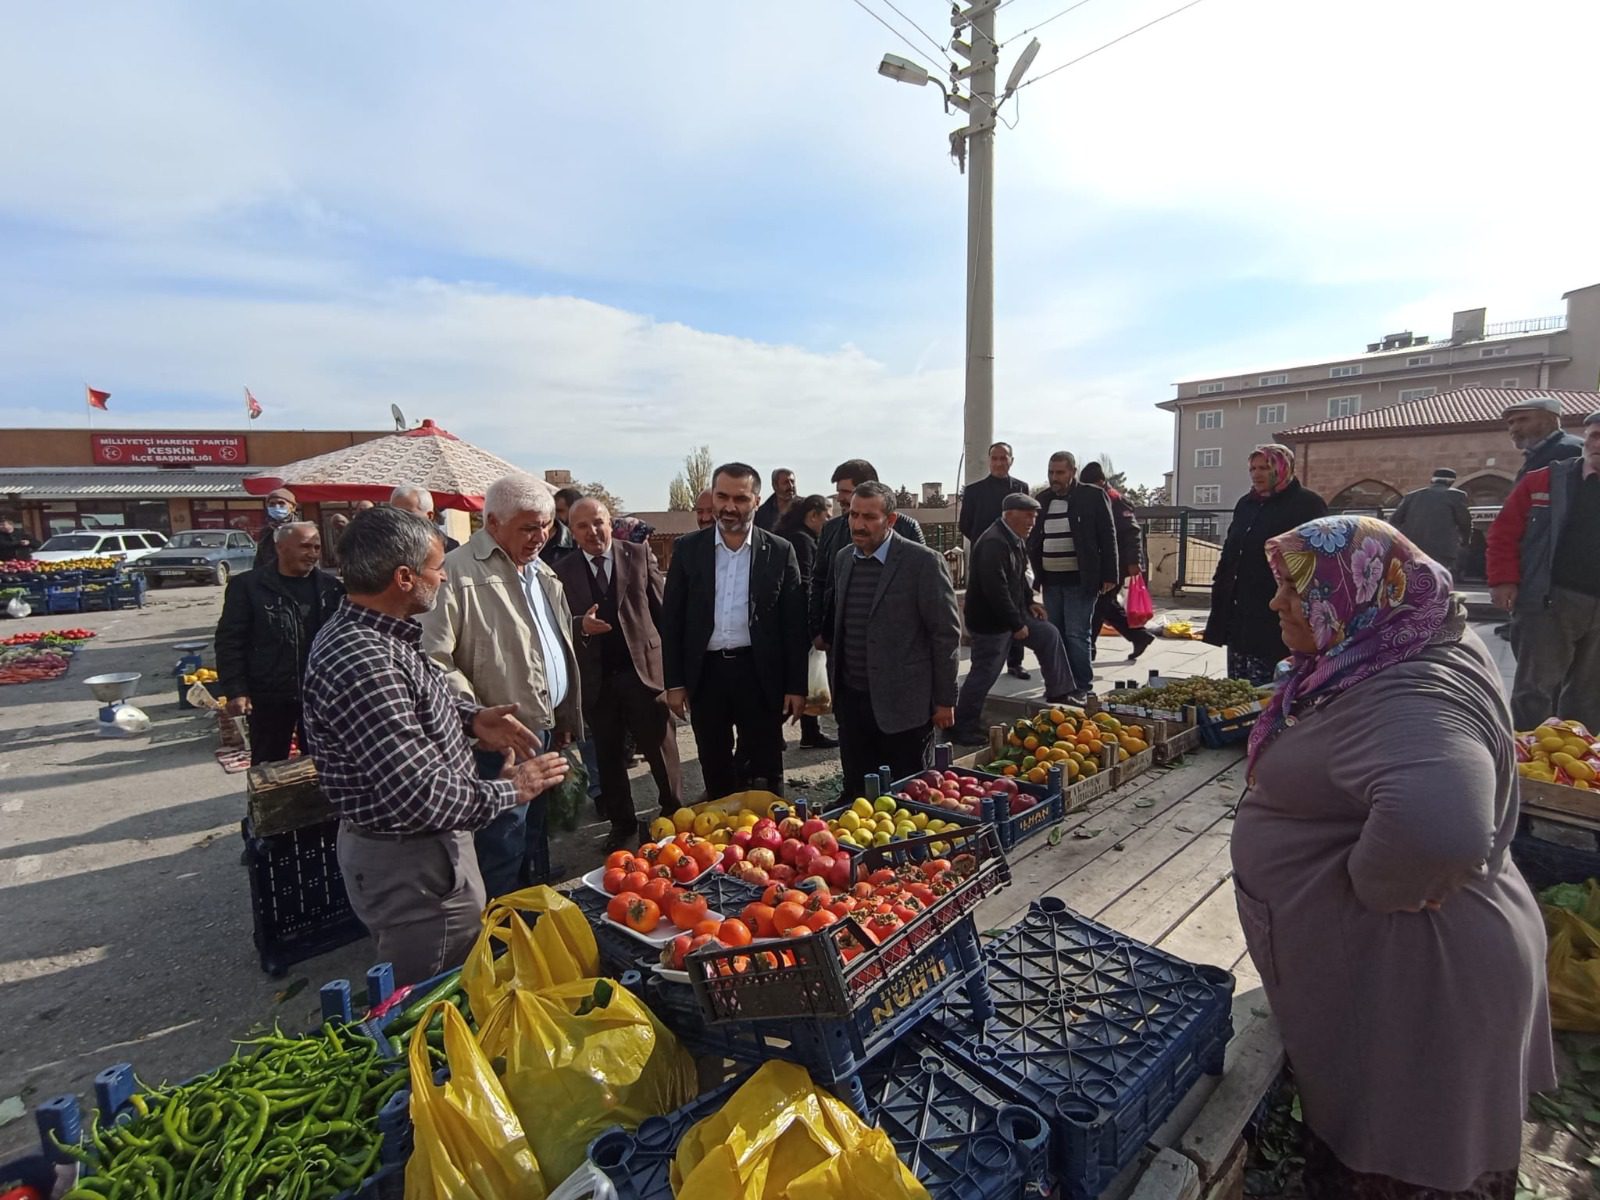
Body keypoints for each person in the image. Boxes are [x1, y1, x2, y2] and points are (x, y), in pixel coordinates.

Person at [1232, 514, 1554, 1198]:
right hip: (1410, 979)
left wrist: (1372, 887)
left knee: (1406, 1164)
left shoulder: (1410, 692)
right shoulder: (1395, 644)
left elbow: (1441, 829)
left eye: (1296, 587)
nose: (1277, 602)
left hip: (1421, 982)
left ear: (1361, 589)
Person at [301, 506, 569, 986]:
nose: (444, 579)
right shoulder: (366, 661)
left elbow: (415, 704)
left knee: (463, 971)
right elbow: (422, 796)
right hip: (414, 865)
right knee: (439, 995)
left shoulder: (385, 636)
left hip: (428, 855)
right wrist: (515, 789)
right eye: (437, 568)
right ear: (404, 577)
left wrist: (471, 719)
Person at [420, 473, 582, 898]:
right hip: (494, 741)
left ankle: (532, 902)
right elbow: (433, 659)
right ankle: (499, 930)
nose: (540, 536)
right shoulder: (455, 573)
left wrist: (562, 716)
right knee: (501, 842)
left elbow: (555, 645)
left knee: (534, 828)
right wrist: (476, 718)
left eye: (546, 526)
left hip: (541, 728)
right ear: (491, 524)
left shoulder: (541, 571)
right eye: (528, 527)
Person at [661, 462, 807, 798]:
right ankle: (723, 840)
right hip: (706, 674)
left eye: (740, 498)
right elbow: (673, 621)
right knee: (715, 763)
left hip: (760, 673)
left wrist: (796, 686)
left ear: (756, 501)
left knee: (766, 765)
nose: (729, 507)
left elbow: (794, 625)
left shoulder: (780, 552)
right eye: (722, 496)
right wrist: (675, 682)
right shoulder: (688, 550)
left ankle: (770, 841)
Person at [555, 498, 683, 851]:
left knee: (661, 749)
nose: (592, 532)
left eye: (598, 523)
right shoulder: (561, 571)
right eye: (582, 526)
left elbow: (664, 615)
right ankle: (622, 824)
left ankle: (674, 813)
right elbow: (558, 625)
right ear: (572, 531)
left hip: (643, 673)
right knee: (608, 758)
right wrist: (582, 625)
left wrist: (674, 678)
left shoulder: (638, 555)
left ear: (610, 523)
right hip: (598, 681)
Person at [817, 482, 959, 799]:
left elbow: (944, 633)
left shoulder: (922, 563)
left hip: (904, 707)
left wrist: (944, 699)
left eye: (869, 517)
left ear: (891, 520)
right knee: (859, 795)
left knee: (907, 796)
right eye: (853, 515)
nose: (858, 524)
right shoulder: (843, 560)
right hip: (853, 702)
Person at [1486, 411, 1600, 732]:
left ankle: (1577, 766)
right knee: (1534, 690)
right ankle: (1526, 763)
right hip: (1551, 600)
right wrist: (1503, 580)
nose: (1597, 444)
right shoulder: (1545, 480)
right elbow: (1504, 532)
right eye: (1593, 435)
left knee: (1589, 695)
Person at [215, 522, 344, 765]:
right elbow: (229, 641)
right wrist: (236, 690)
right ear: (281, 548)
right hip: (269, 696)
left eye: (317, 547)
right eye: (305, 546)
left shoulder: (331, 589)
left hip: (318, 696)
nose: (312, 553)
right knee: (268, 765)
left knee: (321, 765)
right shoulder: (248, 587)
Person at [951, 494, 1074, 744]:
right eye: (1028, 515)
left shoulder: (1014, 538)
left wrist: (1030, 601)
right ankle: (962, 726)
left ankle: (1060, 694)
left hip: (1013, 614)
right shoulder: (994, 543)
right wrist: (1016, 624)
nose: (1033, 520)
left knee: (1049, 635)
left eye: (1035, 515)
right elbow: (996, 590)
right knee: (984, 673)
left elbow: (1018, 578)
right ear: (1010, 514)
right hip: (991, 622)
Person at [1203, 444, 1329, 683]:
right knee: (1237, 684)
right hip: (1240, 608)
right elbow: (1231, 550)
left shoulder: (1306, 504)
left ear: (1283, 468)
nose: (1256, 474)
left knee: (1269, 685)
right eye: (1253, 468)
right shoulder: (1246, 504)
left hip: (1276, 607)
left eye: (1264, 467)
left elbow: (1317, 560)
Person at [1027, 451, 1118, 702]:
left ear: (1072, 472)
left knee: (1077, 634)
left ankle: (1082, 686)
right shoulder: (1042, 499)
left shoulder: (1092, 496)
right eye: (1051, 472)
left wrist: (1110, 573)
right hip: (1051, 581)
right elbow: (1034, 536)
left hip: (1081, 580)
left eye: (1060, 473)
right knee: (1054, 635)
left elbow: (1108, 536)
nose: (1054, 478)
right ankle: (1059, 685)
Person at [809, 459, 925, 652]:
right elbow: (819, 580)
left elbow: (923, 588)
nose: (839, 498)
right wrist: (817, 630)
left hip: (893, 646)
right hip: (842, 644)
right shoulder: (831, 530)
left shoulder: (907, 528)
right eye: (838, 491)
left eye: (844, 492)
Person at [959, 442, 1032, 680]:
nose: (999, 463)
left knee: (1016, 603)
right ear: (989, 461)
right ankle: (983, 661)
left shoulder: (1020, 488)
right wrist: (987, 546)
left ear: (1011, 460)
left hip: (1015, 557)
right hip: (986, 559)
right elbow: (965, 524)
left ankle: (1015, 661)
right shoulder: (974, 490)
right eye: (995, 458)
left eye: (1004, 458)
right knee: (987, 605)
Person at [773, 495, 837, 749]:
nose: (829, 522)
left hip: (790, 619)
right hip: (797, 621)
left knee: (806, 679)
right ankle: (770, 732)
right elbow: (806, 583)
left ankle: (811, 732)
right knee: (798, 679)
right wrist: (814, 623)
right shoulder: (802, 541)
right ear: (813, 515)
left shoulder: (794, 536)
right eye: (827, 516)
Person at [1079, 461, 1155, 663]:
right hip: (1103, 562)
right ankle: (1139, 636)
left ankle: (1088, 649)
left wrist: (1134, 561)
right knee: (1106, 605)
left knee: (1098, 606)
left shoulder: (1115, 500)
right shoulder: (1098, 498)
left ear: (1101, 482)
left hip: (1117, 564)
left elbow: (1132, 532)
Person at [1390, 468, 1471, 574]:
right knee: (1437, 581)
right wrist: (1465, 540)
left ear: (1432, 480)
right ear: (1451, 481)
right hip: (1442, 550)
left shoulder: (1412, 496)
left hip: (1412, 548)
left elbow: (1394, 520)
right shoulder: (1456, 496)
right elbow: (1465, 522)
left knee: (1413, 579)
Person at [1505, 394, 1583, 480]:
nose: (1514, 429)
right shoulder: (1536, 453)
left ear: (1550, 420)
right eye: (1511, 423)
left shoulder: (1568, 449)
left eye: (1523, 420)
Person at [390, 483, 460, 552]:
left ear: (429, 516)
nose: (399, 518)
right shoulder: (384, 544)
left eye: (408, 513)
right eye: (395, 512)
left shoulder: (449, 548)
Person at [253, 487, 300, 568]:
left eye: (281, 503)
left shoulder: (302, 530)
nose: (277, 507)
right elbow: (259, 560)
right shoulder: (266, 532)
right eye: (272, 504)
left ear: (293, 507)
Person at [539, 486, 583, 567]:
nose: (555, 515)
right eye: (553, 510)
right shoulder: (540, 535)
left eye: (560, 511)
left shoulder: (583, 542)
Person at [753, 468, 798, 532]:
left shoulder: (805, 508)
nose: (791, 486)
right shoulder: (761, 514)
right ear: (775, 486)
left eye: (792, 482)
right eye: (786, 482)